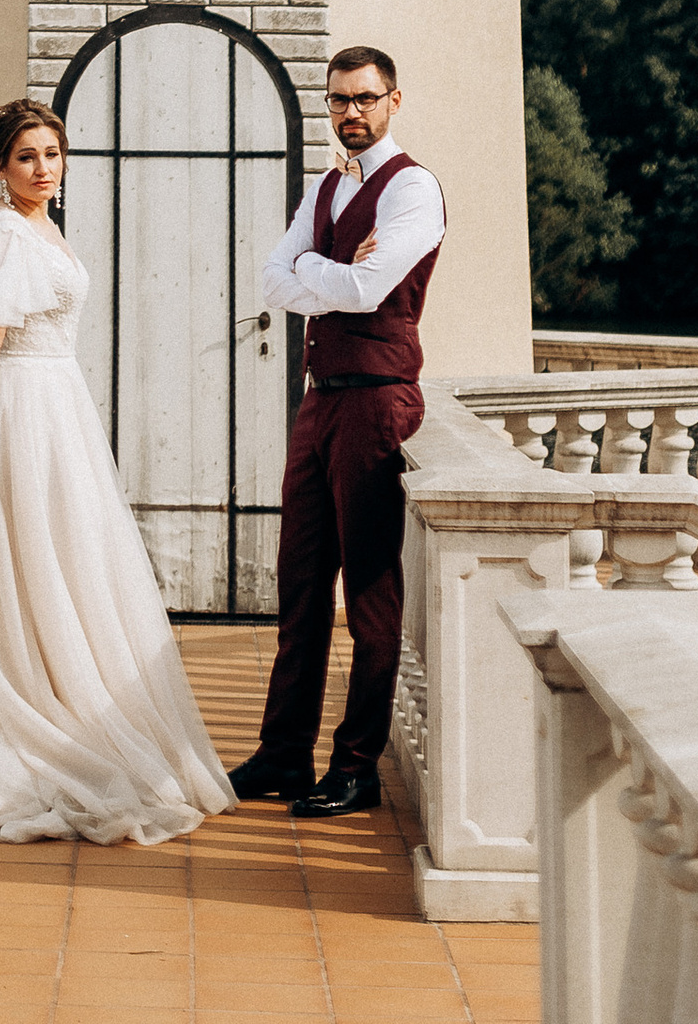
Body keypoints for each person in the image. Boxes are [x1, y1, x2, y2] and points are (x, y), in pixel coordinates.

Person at [0, 94, 237, 843]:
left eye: (52, 155)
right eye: (26, 156)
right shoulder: (4, 230)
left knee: (74, 553)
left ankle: (75, 687)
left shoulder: (44, 225)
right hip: (26, 406)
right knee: (42, 551)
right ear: (0, 167)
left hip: (61, 400)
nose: (42, 168)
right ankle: (41, 695)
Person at [227, 42, 445, 818]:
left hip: (380, 402)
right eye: (338, 100)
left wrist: (317, 272)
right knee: (300, 582)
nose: (350, 112)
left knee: (371, 591)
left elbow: (369, 287)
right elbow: (271, 278)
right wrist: (330, 269)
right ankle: (285, 753)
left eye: (364, 97)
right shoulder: (324, 184)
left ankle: (355, 766)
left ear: (392, 99)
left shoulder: (412, 188)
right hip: (319, 400)